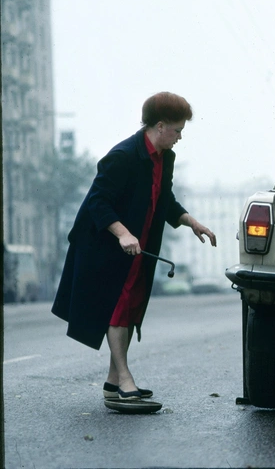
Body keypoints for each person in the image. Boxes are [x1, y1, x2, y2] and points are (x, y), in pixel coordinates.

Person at [52, 91, 217, 400]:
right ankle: (125, 378)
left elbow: (164, 199)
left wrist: (191, 222)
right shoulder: (124, 155)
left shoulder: (165, 157)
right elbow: (98, 203)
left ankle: (113, 382)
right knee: (118, 305)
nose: (180, 137)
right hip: (105, 243)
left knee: (131, 305)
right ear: (159, 126)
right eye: (177, 130)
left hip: (137, 246)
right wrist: (122, 233)